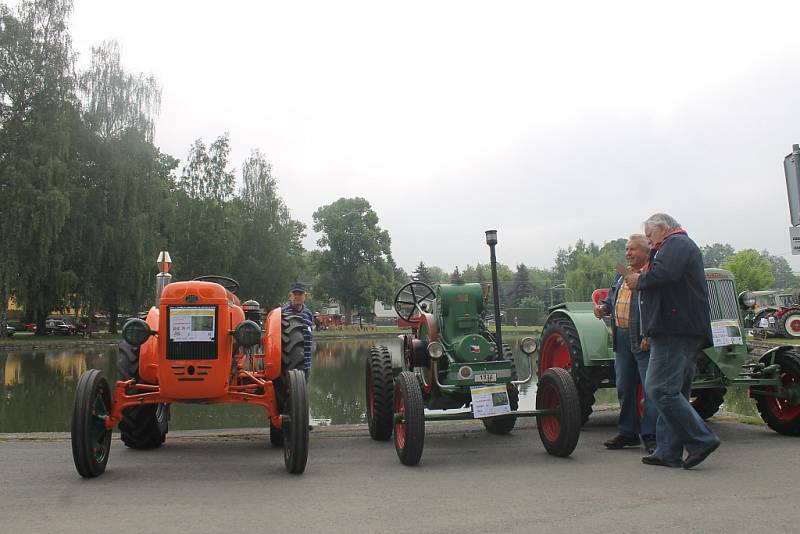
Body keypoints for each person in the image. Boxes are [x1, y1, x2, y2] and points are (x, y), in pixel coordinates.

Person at [624, 213, 719, 469]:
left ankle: (702, 439)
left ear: (663, 229)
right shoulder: (680, 245)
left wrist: (639, 280)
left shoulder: (675, 244)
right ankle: (668, 450)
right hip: (684, 328)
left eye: (651, 236)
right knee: (675, 391)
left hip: (673, 328)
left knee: (659, 388)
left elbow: (664, 273)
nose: (650, 243)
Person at [594, 234, 658, 454]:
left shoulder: (651, 275)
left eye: (632, 249)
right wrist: (603, 308)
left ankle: (651, 435)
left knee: (650, 388)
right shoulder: (622, 274)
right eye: (626, 249)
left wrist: (649, 335)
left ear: (645, 252)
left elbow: (655, 307)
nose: (627, 253)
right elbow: (612, 300)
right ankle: (628, 432)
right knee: (624, 386)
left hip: (642, 338)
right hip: (621, 337)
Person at [282, 282, 314, 379]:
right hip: (289, 368)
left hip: (307, 365)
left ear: (305, 296)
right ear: (290, 296)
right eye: (295, 294)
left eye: (300, 294)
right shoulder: (283, 313)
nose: (297, 297)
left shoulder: (308, 314)